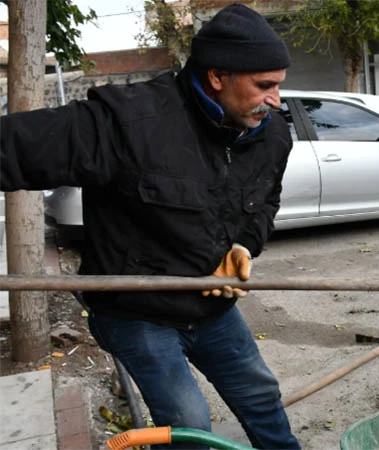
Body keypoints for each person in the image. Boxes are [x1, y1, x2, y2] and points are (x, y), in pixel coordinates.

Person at [1, 4, 299, 449]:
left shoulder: (271, 136)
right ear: (218, 76)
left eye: (278, 85)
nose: (275, 99)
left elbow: (264, 202)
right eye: (264, 86)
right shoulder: (129, 123)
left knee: (259, 393)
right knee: (190, 421)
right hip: (135, 312)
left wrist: (243, 245)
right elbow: (15, 147)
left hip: (208, 308)